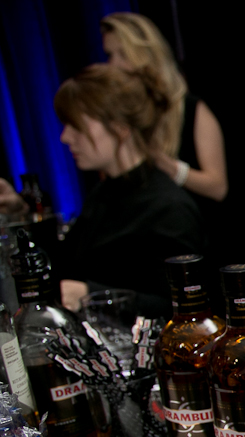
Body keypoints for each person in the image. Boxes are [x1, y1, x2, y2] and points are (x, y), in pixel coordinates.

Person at [54, 63, 204, 317]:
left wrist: (91, 295)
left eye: (76, 125)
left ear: (120, 128)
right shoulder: (103, 193)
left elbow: (181, 309)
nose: (65, 137)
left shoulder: (168, 208)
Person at [100, 12, 228, 203]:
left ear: (148, 54)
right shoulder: (121, 118)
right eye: (109, 55)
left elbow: (218, 188)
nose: (114, 66)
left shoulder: (192, 110)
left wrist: (169, 167)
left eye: (124, 54)